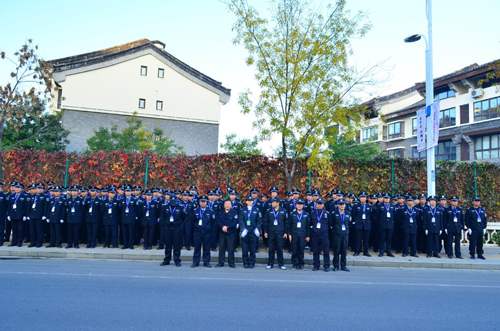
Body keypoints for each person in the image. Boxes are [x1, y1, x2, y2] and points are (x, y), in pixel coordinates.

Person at [161, 196, 186, 267]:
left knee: (176, 245)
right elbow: (163, 216)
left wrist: (178, 224)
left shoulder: (180, 207)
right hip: (168, 228)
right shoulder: (165, 207)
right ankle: (167, 260)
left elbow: (183, 217)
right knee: (168, 245)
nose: (173, 204)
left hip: (177, 228)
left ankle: (177, 260)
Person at [263, 197, 288, 270]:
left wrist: (285, 232)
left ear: (278, 203)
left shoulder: (283, 211)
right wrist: (265, 231)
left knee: (280, 248)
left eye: (274, 202)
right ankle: (270, 263)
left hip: (280, 232)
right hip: (271, 232)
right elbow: (265, 222)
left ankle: (281, 264)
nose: (272, 203)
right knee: (271, 248)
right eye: (272, 202)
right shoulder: (269, 211)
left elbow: (286, 223)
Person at [192, 195, 216, 268]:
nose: (203, 203)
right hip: (197, 232)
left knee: (206, 248)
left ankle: (206, 262)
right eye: (201, 202)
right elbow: (192, 222)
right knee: (197, 248)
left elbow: (213, 222)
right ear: (199, 202)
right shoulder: (195, 211)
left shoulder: (210, 211)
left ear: (207, 202)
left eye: (204, 202)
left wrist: (208, 229)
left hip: (207, 233)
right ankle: (196, 262)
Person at [240, 196, 262, 269]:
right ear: (246, 202)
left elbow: (259, 220)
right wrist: (243, 229)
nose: (250, 202)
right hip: (245, 231)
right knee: (245, 248)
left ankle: (252, 262)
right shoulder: (243, 210)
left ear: (253, 202)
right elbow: (241, 220)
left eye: (251, 200)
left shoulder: (256, 210)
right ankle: (245, 262)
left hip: (253, 231)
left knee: (253, 248)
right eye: (248, 200)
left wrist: (257, 229)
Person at [216, 199, 239, 268]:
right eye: (226, 204)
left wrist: (227, 227)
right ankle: (221, 262)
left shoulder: (234, 213)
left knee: (231, 248)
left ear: (231, 205)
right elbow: (217, 221)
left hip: (230, 233)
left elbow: (234, 222)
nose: (227, 205)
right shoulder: (220, 212)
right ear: (224, 205)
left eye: (229, 204)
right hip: (222, 232)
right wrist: (223, 227)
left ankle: (231, 263)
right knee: (221, 248)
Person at [288, 199, 309, 270]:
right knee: (294, 249)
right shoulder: (292, 214)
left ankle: (301, 264)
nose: (299, 205)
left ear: (303, 205)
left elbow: (308, 226)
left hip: (302, 234)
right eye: (298, 204)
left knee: (301, 249)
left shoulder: (306, 214)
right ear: (296, 205)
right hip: (294, 234)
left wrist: (308, 235)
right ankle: (294, 264)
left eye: (301, 204)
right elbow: (289, 225)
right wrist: (289, 234)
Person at [27, 183, 50, 248]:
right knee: (32, 230)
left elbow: (46, 207)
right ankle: (33, 242)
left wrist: (44, 215)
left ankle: (39, 242)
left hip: (40, 216)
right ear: (36, 189)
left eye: (41, 188)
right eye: (38, 188)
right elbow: (29, 206)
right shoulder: (32, 196)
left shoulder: (45, 197)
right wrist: (28, 214)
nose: (40, 190)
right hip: (32, 215)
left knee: (39, 230)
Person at [331, 199, 350, 272]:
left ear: (345, 205)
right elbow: (332, 223)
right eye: (340, 204)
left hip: (345, 234)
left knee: (344, 250)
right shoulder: (334, 213)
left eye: (343, 204)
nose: (342, 206)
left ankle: (343, 265)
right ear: (338, 205)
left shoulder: (348, 213)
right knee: (336, 250)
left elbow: (349, 223)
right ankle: (336, 265)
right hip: (337, 234)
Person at [119, 185, 140, 250]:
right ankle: (125, 244)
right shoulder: (122, 199)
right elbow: (120, 209)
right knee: (124, 232)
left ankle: (131, 244)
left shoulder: (134, 199)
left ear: (131, 192)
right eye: (127, 191)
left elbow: (136, 209)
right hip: (124, 218)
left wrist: (135, 217)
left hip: (131, 218)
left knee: (131, 232)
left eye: (129, 191)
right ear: (125, 192)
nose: (128, 192)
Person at [374, 193, 395, 257]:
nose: (386, 199)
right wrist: (380, 222)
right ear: (383, 199)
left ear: (389, 199)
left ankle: (389, 251)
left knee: (389, 239)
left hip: (390, 225)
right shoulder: (380, 206)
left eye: (387, 198)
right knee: (382, 239)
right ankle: (381, 252)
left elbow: (395, 215)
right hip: (382, 225)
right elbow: (376, 216)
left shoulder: (392, 206)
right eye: (385, 198)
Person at [351, 192, 372, 257]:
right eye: (361, 197)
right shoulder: (356, 206)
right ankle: (357, 251)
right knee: (358, 239)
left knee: (366, 239)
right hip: (358, 224)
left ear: (366, 198)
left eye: (364, 197)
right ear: (360, 198)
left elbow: (370, 215)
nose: (363, 199)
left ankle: (366, 251)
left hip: (366, 224)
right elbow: (353, 215)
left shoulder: (369, 206)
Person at [7, 182, 28, 247]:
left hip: (20, 215)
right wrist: (8, 214)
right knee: (14, 229)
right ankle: (14, 241)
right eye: (16, 188)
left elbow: (26, 207)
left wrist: (25, 215)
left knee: (20, 229)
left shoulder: (24, 196)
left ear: (21, 189)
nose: (17, 189)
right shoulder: (11, 196)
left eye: (18, 188)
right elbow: (9, 206)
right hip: (13, 215)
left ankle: (19, 242)